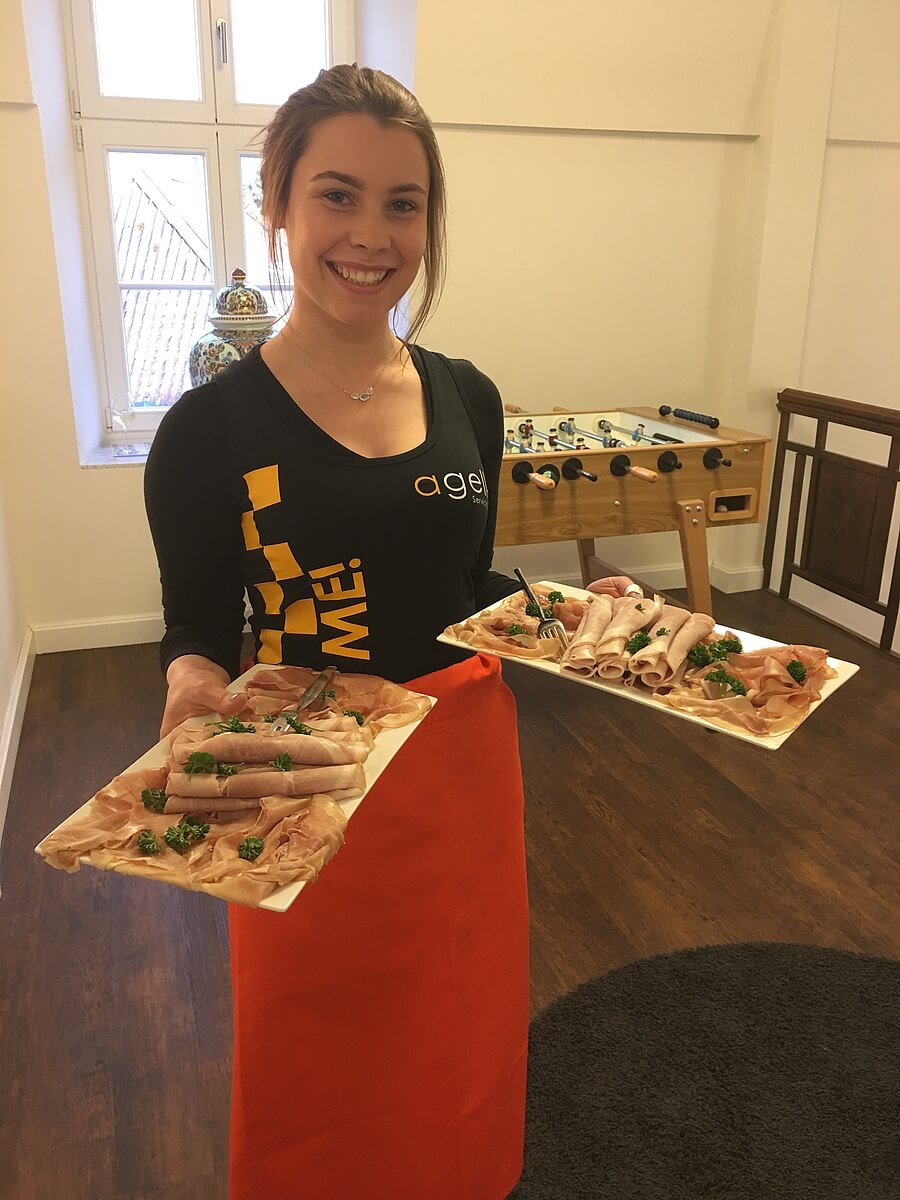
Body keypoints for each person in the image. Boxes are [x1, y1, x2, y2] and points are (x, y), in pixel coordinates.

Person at [144, 63, 530, 1200]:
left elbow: (463, 579)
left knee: (457, 1018)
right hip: (302, 775)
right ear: (278, 205)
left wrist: (576, 616)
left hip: (459, 772)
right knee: (317, 1042)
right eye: (337, 195)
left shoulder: (470, 395)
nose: (371, 235)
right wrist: (189, 682)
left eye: (403, 204)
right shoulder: (208, 428)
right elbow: (198, 621)